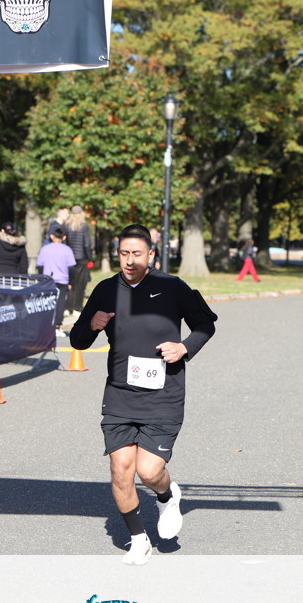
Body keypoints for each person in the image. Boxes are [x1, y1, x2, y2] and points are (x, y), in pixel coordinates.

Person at [70, 224, 217, 566]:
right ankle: (139, 539)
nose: (130, 261)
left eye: (137, 254)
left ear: (151, 254)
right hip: (120, 395)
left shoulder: (172, 286)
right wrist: (91, 325)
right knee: (121, 469)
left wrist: (184, 347)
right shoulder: (106, 290)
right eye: (124, 254)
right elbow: (78, 341)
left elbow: (205, 324)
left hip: (163, 394)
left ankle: (166, 496)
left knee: (149, 472)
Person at [36, 226, 76, 336]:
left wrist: (40, 279)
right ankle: (57, 326)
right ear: (64, 237)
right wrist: (71, 282)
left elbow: (40, 266)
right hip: (62, 280)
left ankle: (47, 325)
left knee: (47, 303)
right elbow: (71, 268)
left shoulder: (45, 249)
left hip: (48, 280)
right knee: (60, 304)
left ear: (52, 236)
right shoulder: (67, 250)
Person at [65, 205, 93, 318]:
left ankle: (68, 307)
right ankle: (77, 307)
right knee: (80, 284)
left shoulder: (67, 226)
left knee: (70, 283)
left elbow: (66, 242)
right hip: (82, 258)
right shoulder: (84, 226)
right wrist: (90, 258)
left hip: (70, 258)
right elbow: (87, 244)